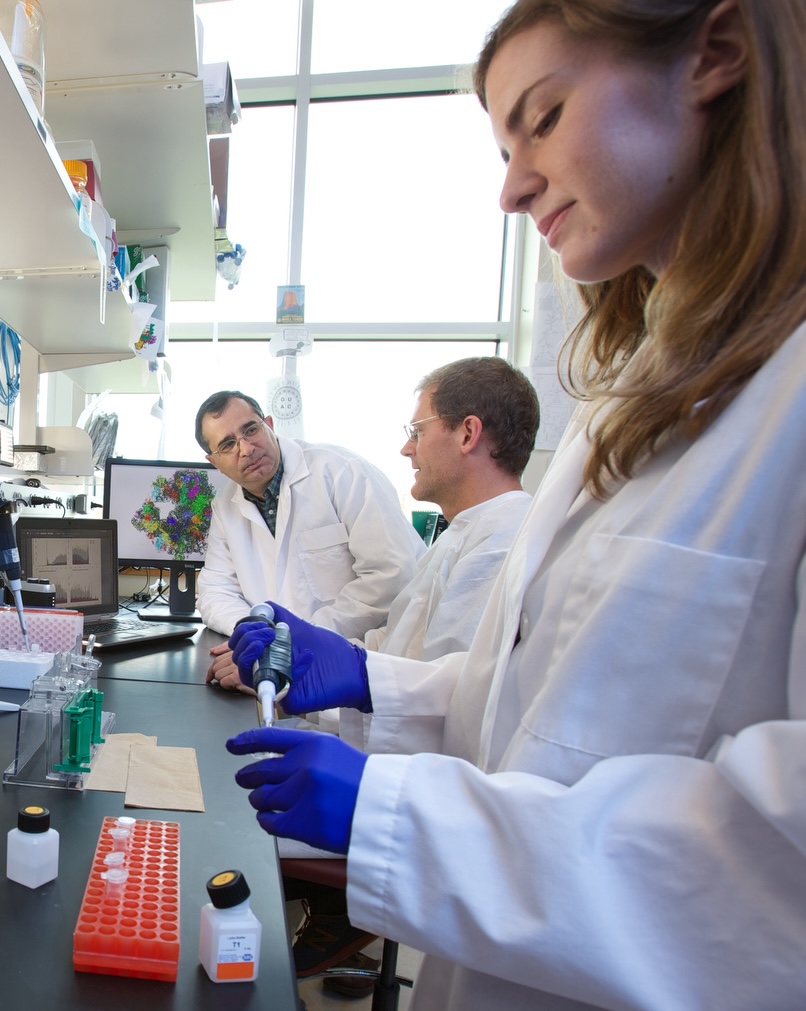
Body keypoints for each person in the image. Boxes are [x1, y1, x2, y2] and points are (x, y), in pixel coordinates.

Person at [226, 2, 806, 1009]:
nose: (510, 187)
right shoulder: (627, 402)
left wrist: (396, 814)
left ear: (713, 53)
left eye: (541, 117)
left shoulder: (783, 399)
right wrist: (377, 681)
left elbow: (774, 863)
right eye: (503, 144)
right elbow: (548, 707)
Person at [287, 355, 539, 992]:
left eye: (417, 427)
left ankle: (338, 913)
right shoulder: (461, 535)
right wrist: (307, 657)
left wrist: (332, 693)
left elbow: (441, 706)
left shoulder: (501, 547)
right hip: (380, 759)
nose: (406, 447)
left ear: (467, 433)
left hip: (405, 791)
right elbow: (395, 643)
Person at [194, 390, 425, 691]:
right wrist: (256, 636)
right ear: (214, 461)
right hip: (287, 673)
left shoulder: (342, 472)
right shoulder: (226, 506)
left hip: (368, 665)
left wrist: (285, 642)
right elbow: (215, 590)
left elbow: (393, 575)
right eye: (228, 444)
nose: (246, 448)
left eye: (250, 429)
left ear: (269, 425)